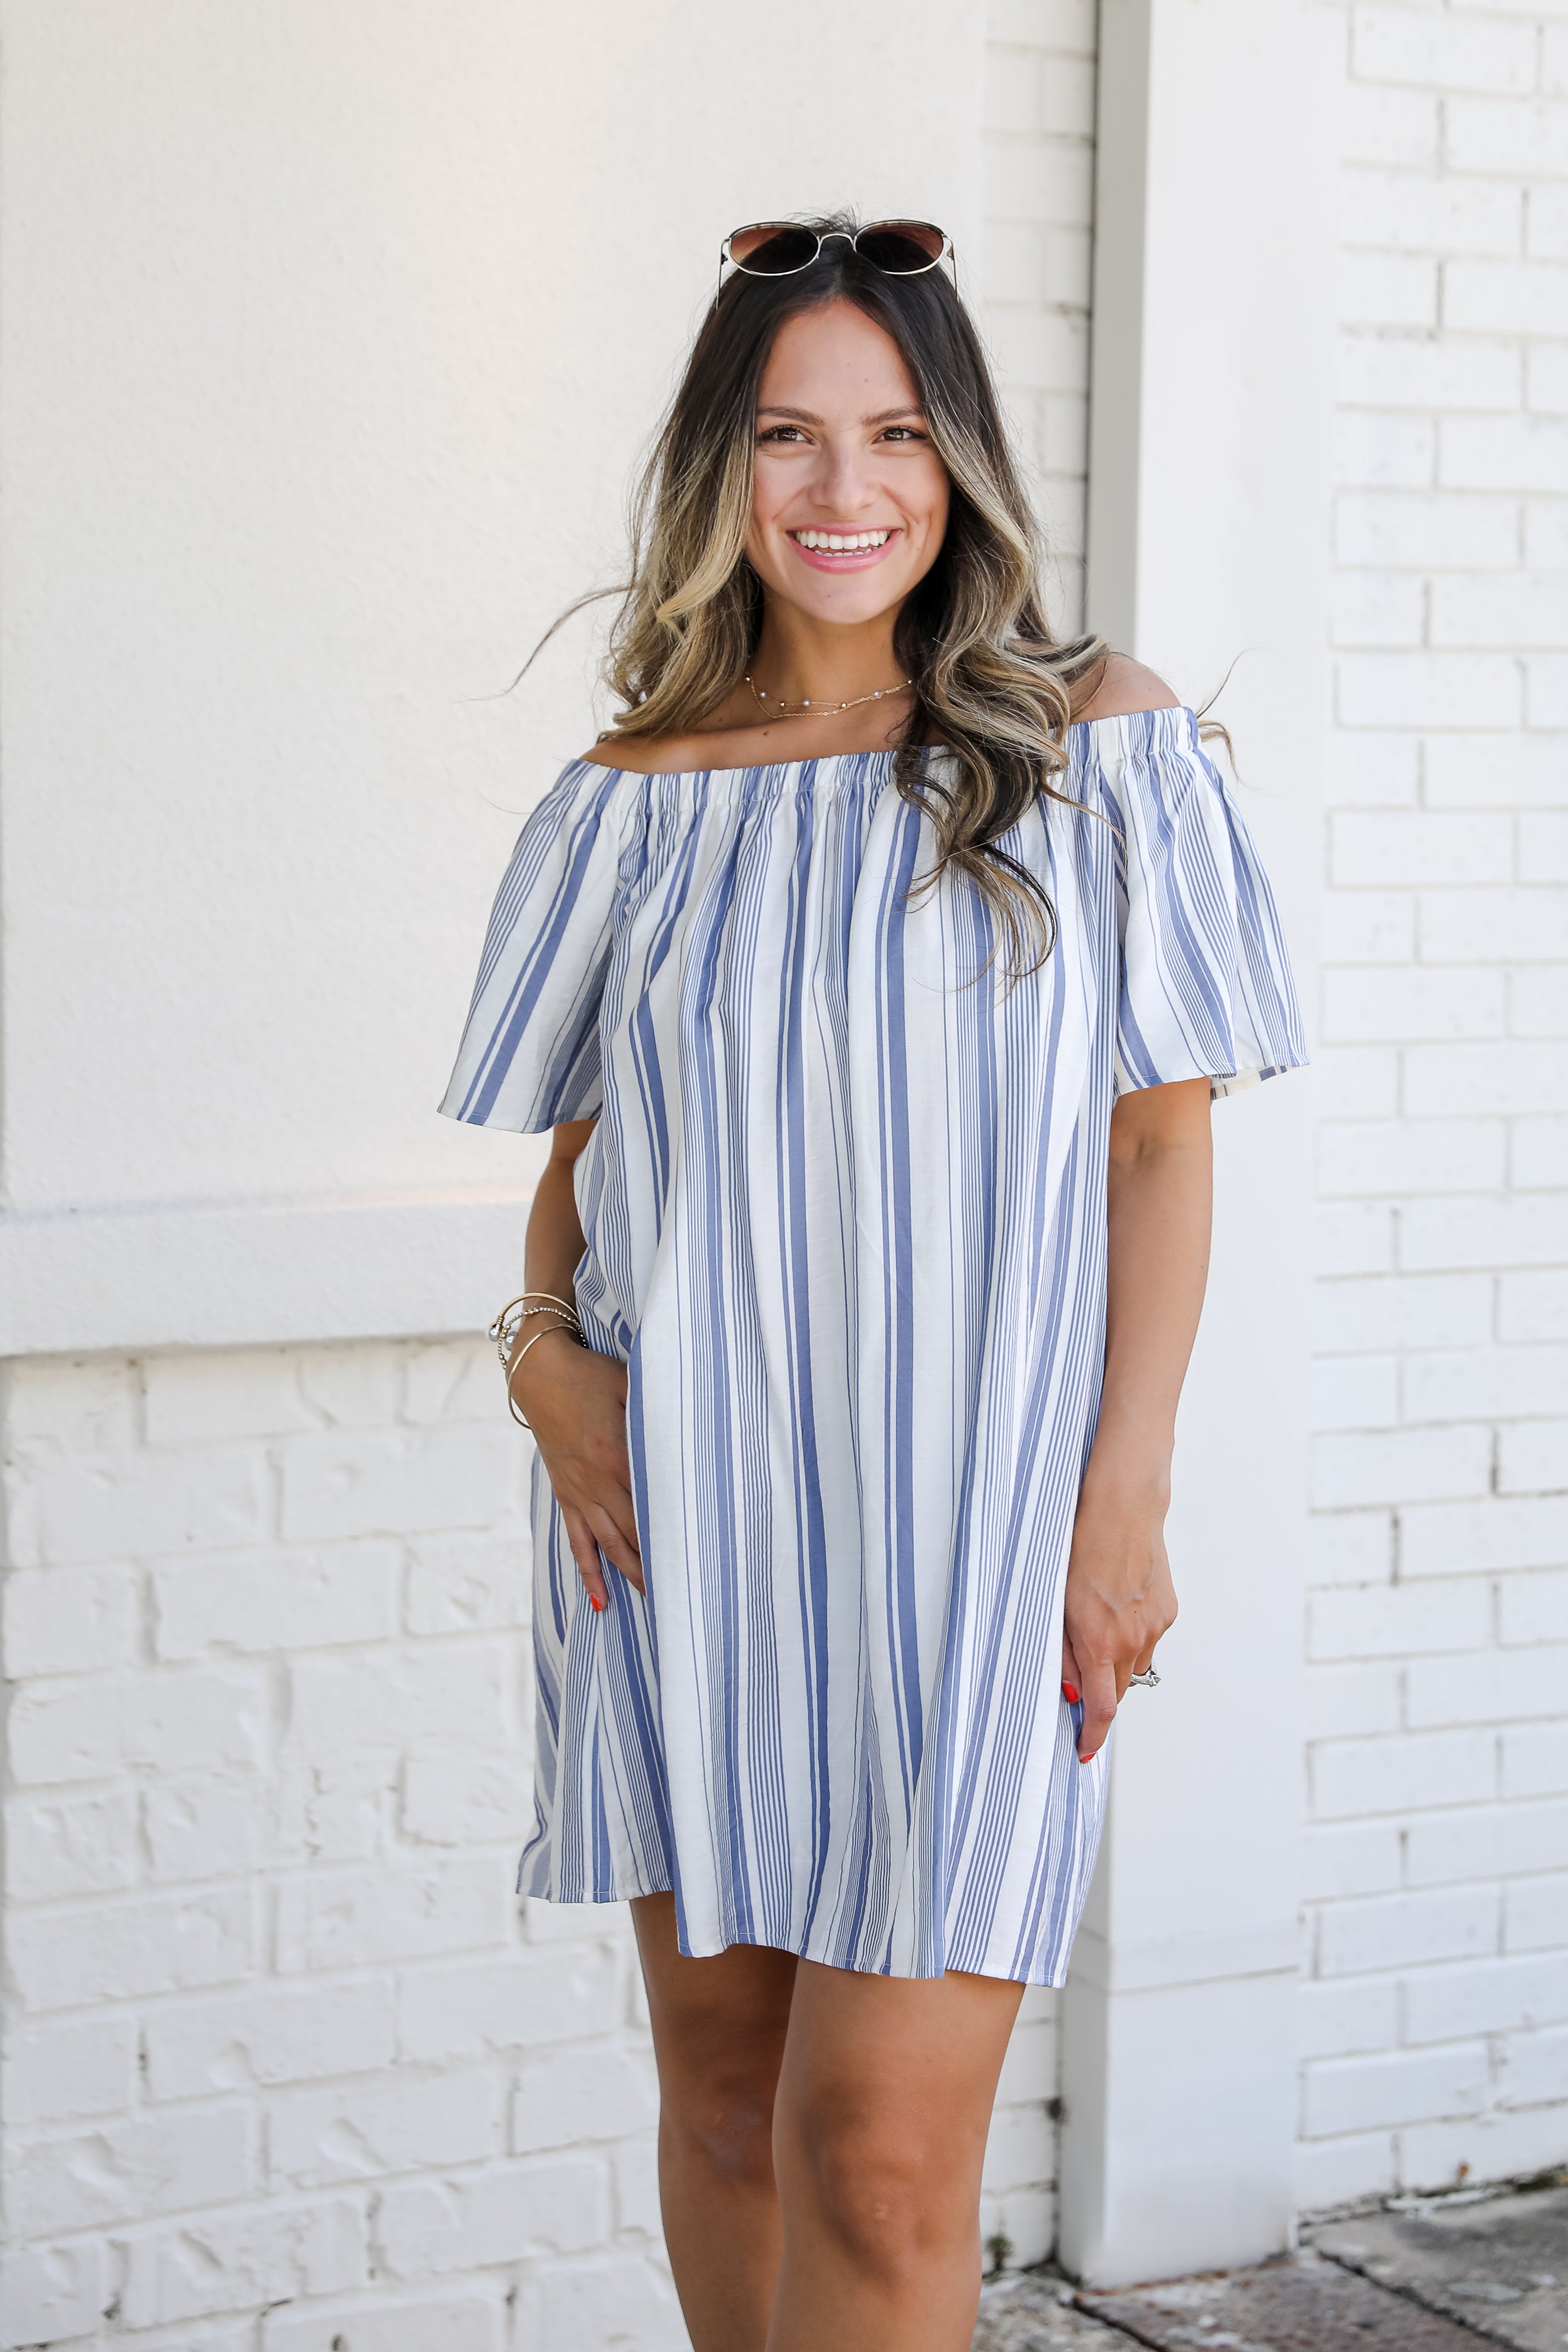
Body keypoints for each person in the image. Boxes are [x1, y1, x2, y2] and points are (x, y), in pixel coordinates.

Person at [441, 215, 1306, 2352]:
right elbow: (580, 1174)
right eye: (788, 435)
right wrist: (540, 1360)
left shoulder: (1093, 743)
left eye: (897, 433)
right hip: (677, 1532)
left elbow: (1157, 1145)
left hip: (981, 1541)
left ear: (962, 460)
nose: (845, 488)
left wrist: (1125, 1495)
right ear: (717, 468)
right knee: (731, 2111)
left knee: (884, 2158)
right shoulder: (631, 801)